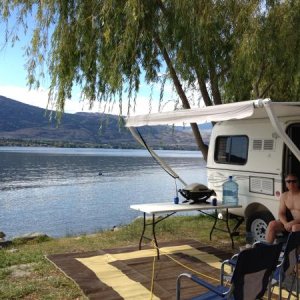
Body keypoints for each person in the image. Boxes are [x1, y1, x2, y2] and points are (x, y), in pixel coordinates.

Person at [266, 173, 300, 243]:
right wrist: (285, 224)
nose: (291, 183)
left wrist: (293, 223)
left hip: (296, 224)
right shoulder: (284, 196)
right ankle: (266, 250)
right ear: (286, 183)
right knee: (272, 224)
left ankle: (293, 252)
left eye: (294, 181)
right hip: (290, 223)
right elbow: (281, 213)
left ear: (298, 182)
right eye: (288, 181)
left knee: (295, 227)